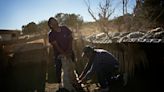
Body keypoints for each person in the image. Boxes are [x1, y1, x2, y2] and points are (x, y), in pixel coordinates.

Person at [48, 17, 75, 91]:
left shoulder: (64, 28)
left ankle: (73, 82)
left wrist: (69, 50)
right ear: (50, 25)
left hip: (69, 51)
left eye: (55, 21)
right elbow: (56, 46)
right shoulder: (51, 34)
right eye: (52, 23)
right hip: (59, 54)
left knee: (71, 66)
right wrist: (65, 54)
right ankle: (64, 85)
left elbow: (70, 38)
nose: (54, 23)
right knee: (60, 69)